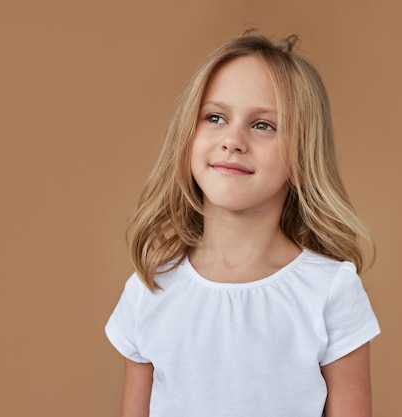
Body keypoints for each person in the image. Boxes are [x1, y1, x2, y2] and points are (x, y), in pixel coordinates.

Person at [105, 30, 380, 417]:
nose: (233, 139)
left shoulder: (330, 290)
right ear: (186, 137)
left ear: (302, 159)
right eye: (215, 117)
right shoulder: (148, 290)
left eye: (263, 125)